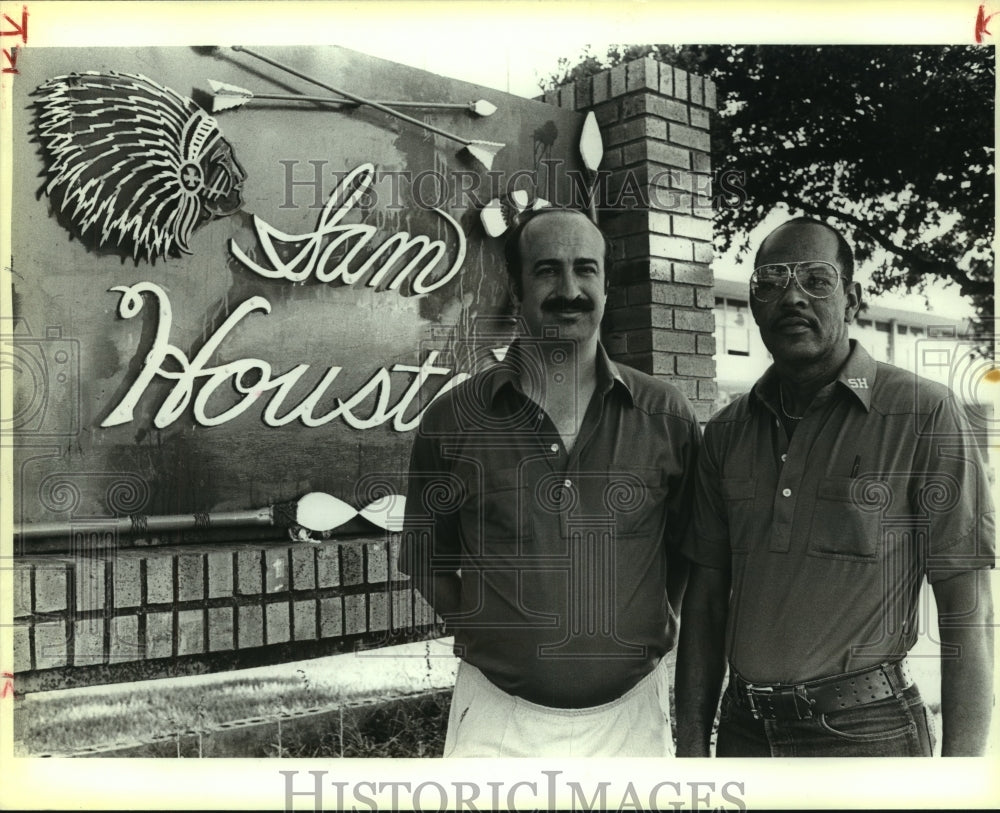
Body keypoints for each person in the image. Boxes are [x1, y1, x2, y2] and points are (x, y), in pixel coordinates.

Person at [675, 217, 995, 757]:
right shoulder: (727, 432)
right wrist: (690, 752)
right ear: (753, 306)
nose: (791, 296)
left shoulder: (923, 414)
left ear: (852, 298)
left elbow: (968, 612)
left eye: (816, 280)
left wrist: (961, 780)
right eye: (770, 282)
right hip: (743, 735)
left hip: (867, 736)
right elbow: (704, 607)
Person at [399, 207, 700, 757]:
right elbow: (425, 556)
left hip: (631, 723)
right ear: (515, 290)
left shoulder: (666, 414)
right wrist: (495, 632)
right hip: (497, 722)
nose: (570, 289)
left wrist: (652, 624)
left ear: (606, 286)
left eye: (586, 270)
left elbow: (683, 550)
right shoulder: (454, 419)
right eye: (547, 271)